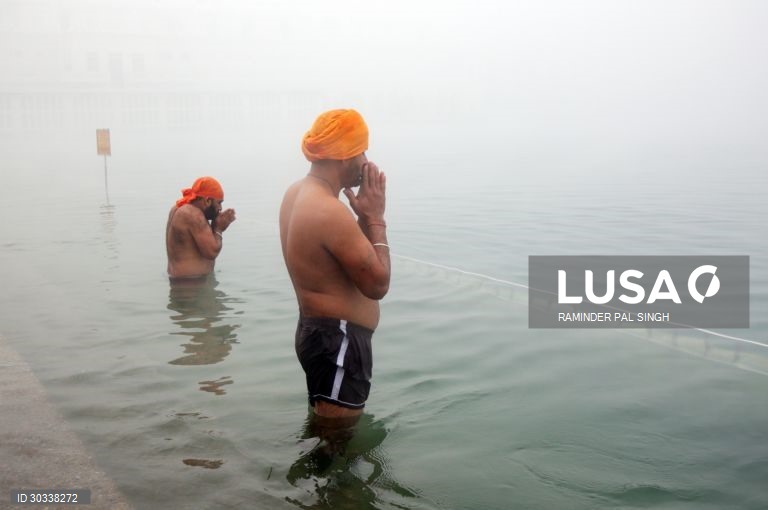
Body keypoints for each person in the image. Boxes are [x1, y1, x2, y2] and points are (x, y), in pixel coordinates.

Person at [280, 109, 391, 420]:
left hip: (319, 335)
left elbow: (345, 262)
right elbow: (378, 283)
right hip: (337, 342)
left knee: (326, 439)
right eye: (362, 152)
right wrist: (376, 218)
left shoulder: (297, 194)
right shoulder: (328, 210)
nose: (366, 162)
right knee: (335, 448)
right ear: (344, 156)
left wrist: (362, 218)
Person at [166, 176, 236, 280]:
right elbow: (212, 252)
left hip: (181, 283)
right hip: (192, 286)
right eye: (219, 203)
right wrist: (218, 228)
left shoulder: (178, 208)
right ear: (207, 200)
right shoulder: (193, 215)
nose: (220, 208)